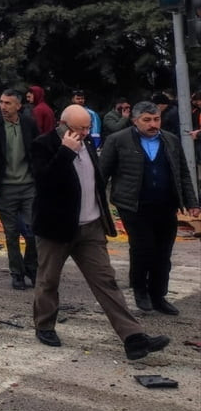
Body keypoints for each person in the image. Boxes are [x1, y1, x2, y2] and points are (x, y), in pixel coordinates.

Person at [29, 105, 171, 360]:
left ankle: (133, 338)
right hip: (56, 229)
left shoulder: (89, 144)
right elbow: (44, 182)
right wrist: (65, 153)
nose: (84, 133)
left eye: (87, 128)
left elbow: (97, 180)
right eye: (79, 128)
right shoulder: (45, 144)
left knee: (106, 281)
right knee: (48, 280)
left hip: (91, 227)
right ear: (63, 124)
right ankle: (45, 325)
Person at [99, 101, 199, 314]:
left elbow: (182, 173)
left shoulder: (170, 140)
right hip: (134, 206)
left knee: (163, 253)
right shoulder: (118, 140)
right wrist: (98, 206)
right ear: (135, 121)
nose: (153, 124)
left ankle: (158, 294)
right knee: (143, 249)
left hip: (166, 205)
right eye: (147, 120)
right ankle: (140, 289)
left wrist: (192, 202)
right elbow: (101, 174)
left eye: (156, 119)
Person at [0, 89, 40, 290]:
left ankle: (32, 267)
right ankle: (17, 273)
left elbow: (39, 151)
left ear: (18, 106)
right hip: (5, 188)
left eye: (8, 103)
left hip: (29, 186)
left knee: (33, 231)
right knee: (11, 234)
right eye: (1, 102)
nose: (3, 106)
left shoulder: (29, 124)